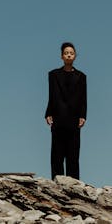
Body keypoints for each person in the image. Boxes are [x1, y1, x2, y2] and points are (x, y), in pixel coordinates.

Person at [45, 42, 87, 180]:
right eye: (66, 53)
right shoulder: (53, 75)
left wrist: (83, 115)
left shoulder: (81, 76)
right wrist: (48, 113)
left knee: (73, 154)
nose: (69, 55)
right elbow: (51, 95)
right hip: (58, 116)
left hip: (74, 118)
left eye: (71, 53)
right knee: (57, 153)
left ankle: (73, 184)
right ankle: (56, 182)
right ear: (62, 56)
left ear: (75, 56)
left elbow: (83, 97)